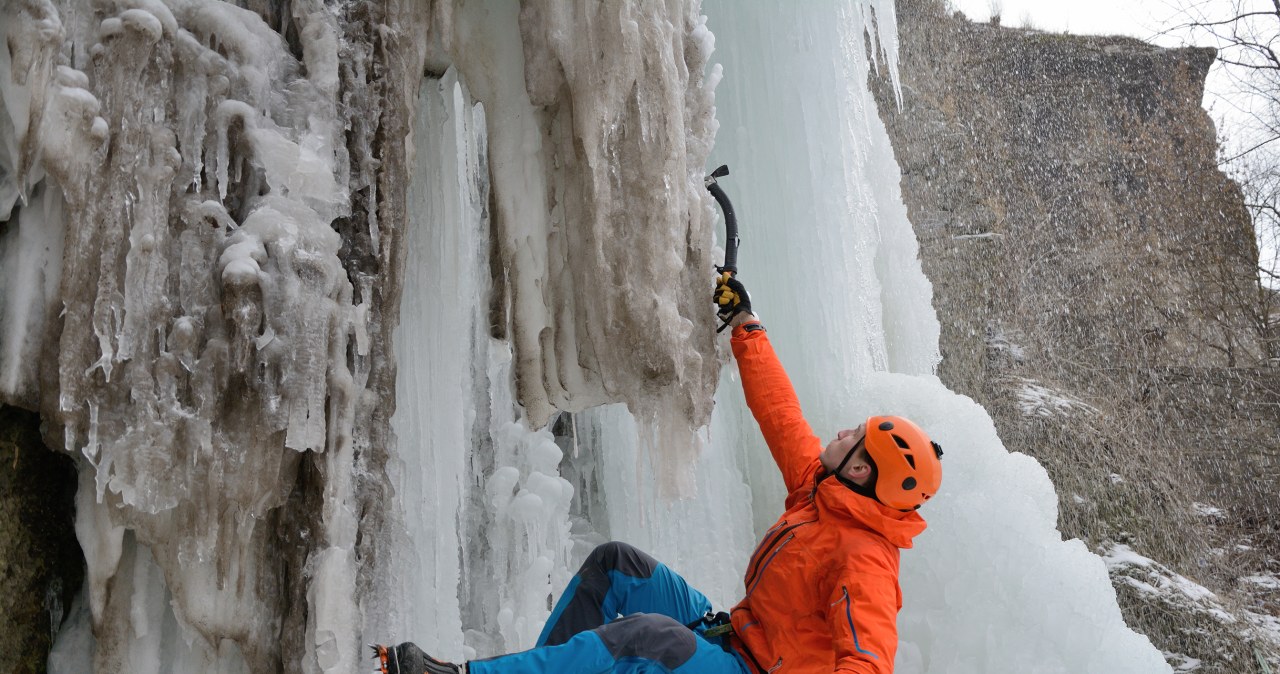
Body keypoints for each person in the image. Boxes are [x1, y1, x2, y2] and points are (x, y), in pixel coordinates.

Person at [375, 273, 943, 674]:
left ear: (863, 468)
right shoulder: (823, 493)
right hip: (736, 637)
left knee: (645, 637)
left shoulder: (864, 559)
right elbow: (782, 418)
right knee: (616, 564)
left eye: (853, 437)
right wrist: (745, 325)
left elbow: (867, 663)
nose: (840, 433)